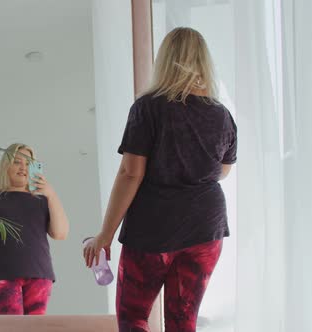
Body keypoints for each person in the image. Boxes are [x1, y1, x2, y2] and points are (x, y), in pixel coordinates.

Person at [83, 27, 237, 332]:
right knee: (183, 322)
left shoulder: (148, 107)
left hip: (154, 228)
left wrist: (105, 235)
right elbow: (222, 170)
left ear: (165, 60)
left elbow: (131, 173)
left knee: (134, 318)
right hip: (206, 228)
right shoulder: (221, 115)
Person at [0, 143, 69, 315]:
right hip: (1, 275)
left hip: (39, 275)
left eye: (28, 163)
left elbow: (60, 233)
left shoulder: (43, 200)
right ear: (5, 166)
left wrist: (51, 194)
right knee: (11, 328)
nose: (23, 167)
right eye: (17, 162)